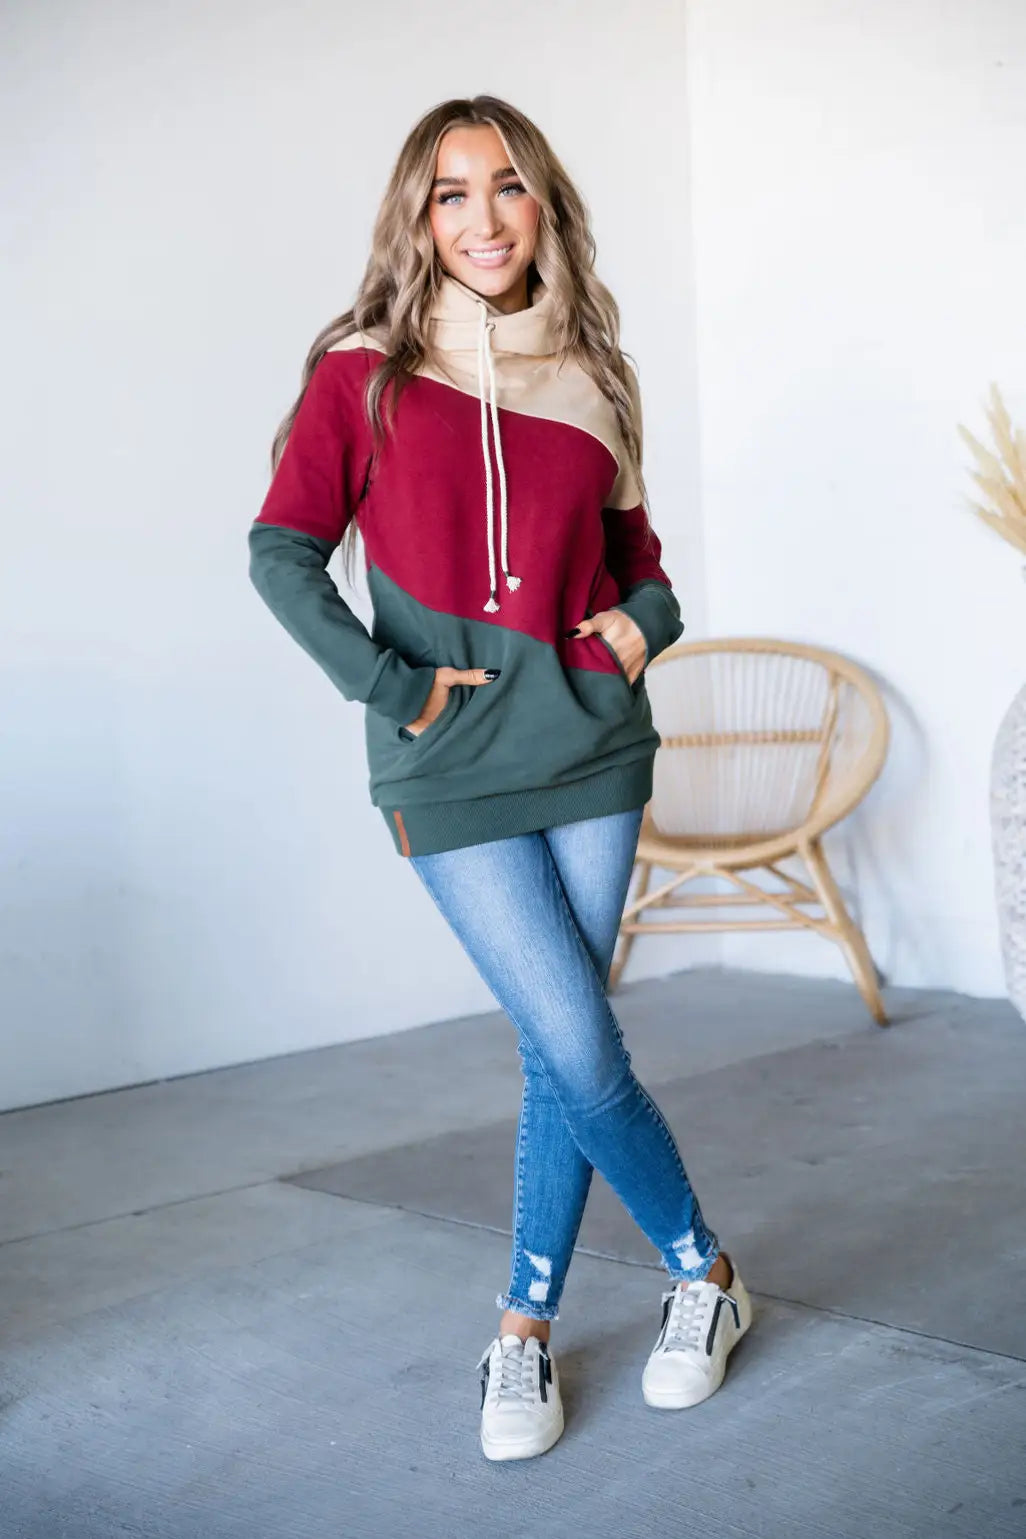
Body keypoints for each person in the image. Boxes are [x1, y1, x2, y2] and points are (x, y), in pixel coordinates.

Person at [248, 95, 751, 1463]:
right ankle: (701, 1270)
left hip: (592, 750)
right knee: (578, 1042)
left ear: (546, 207)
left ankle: (524, 1324)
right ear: (417, 217)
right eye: (451, 192)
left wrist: (640, 628)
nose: (484, 217)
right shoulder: (363, 374)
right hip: (448, 762)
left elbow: (643, 564)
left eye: (509, 185)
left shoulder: (595, 375)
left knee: (556, 1045)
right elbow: (281, 553)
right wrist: (390, 686)